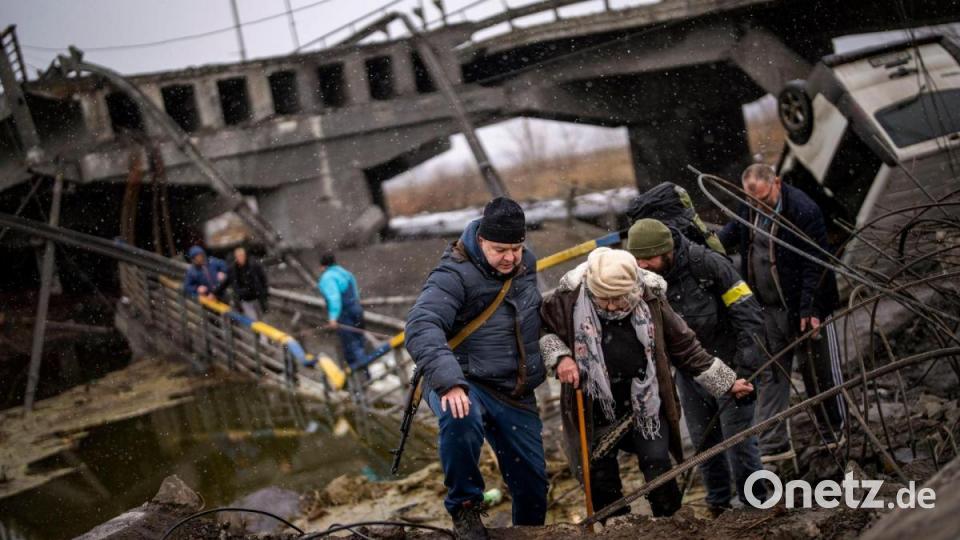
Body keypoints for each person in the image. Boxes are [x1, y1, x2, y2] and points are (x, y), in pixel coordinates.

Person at [540, 247, 754, 519]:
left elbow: (685, 347)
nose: (612, 306)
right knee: (599, 472)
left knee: (657, 463)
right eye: (603, 299)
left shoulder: (651, 299)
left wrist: (728, 382)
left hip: (645, 401)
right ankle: (617, 529)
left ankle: (673, 523)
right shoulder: (567, 300)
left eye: (619, 298)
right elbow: (543, 330)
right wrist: (560, 358)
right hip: (593, 402)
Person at [405, 197, 548, 539]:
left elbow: (534, 319)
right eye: (500, 249)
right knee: (460, 414)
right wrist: (450, 382)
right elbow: (421, 325)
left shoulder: (526, 265)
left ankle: (528, 531)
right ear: (481, 240)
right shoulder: (453, 273)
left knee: (532, 482)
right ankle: (465, 508)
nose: (510, 257)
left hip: (513, 389)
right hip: (463, 379)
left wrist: (559, 355)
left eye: (516, 247)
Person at [628, 218, 766, 515]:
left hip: (730, 367)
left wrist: (744, 370)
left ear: (667, 250)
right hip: (690, 374)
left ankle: (757, 507)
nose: (643, 265)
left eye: (648, 258)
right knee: (705, 445)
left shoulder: (710, 267)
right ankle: (718, 506)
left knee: (739, 444)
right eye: (637, 260)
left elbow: (749, 317)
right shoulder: (646, 280)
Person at [718, 163, 845, 462]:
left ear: (776, 182)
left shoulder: (803, 210)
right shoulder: (749, 206)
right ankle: (775, 448)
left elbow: (816, 263)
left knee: (819, 373)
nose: (758, 205)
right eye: (752, 200)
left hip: (803, 305)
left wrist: (810, 309)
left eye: (763, 199)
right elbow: (730, 234)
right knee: (772, 375)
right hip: (768, 309)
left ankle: (834, 434)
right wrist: (706, 247)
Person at [317, 252, 368, 376]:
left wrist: (333, 318)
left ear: (323, 266)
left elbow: (334, 298)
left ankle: (359, 380)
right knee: (360, 343)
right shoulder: (346, 273)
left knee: (351, 347)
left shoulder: (327, 277)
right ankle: (366, 374)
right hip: (356, 310)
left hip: (344, 313)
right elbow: (355, 293)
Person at [214, 246, 269, 321]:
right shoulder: (233, 269)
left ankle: (261, 332)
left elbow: (263, 279)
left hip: (256, 297)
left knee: (262, 319)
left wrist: (265, 293)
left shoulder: (254, 265)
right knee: (253, 320)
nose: (241, 258)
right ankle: (258, 332)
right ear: (236, 257)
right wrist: (214, 293)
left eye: (242, 255)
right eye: (238, 256)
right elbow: (225, 283)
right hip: (244, 299)